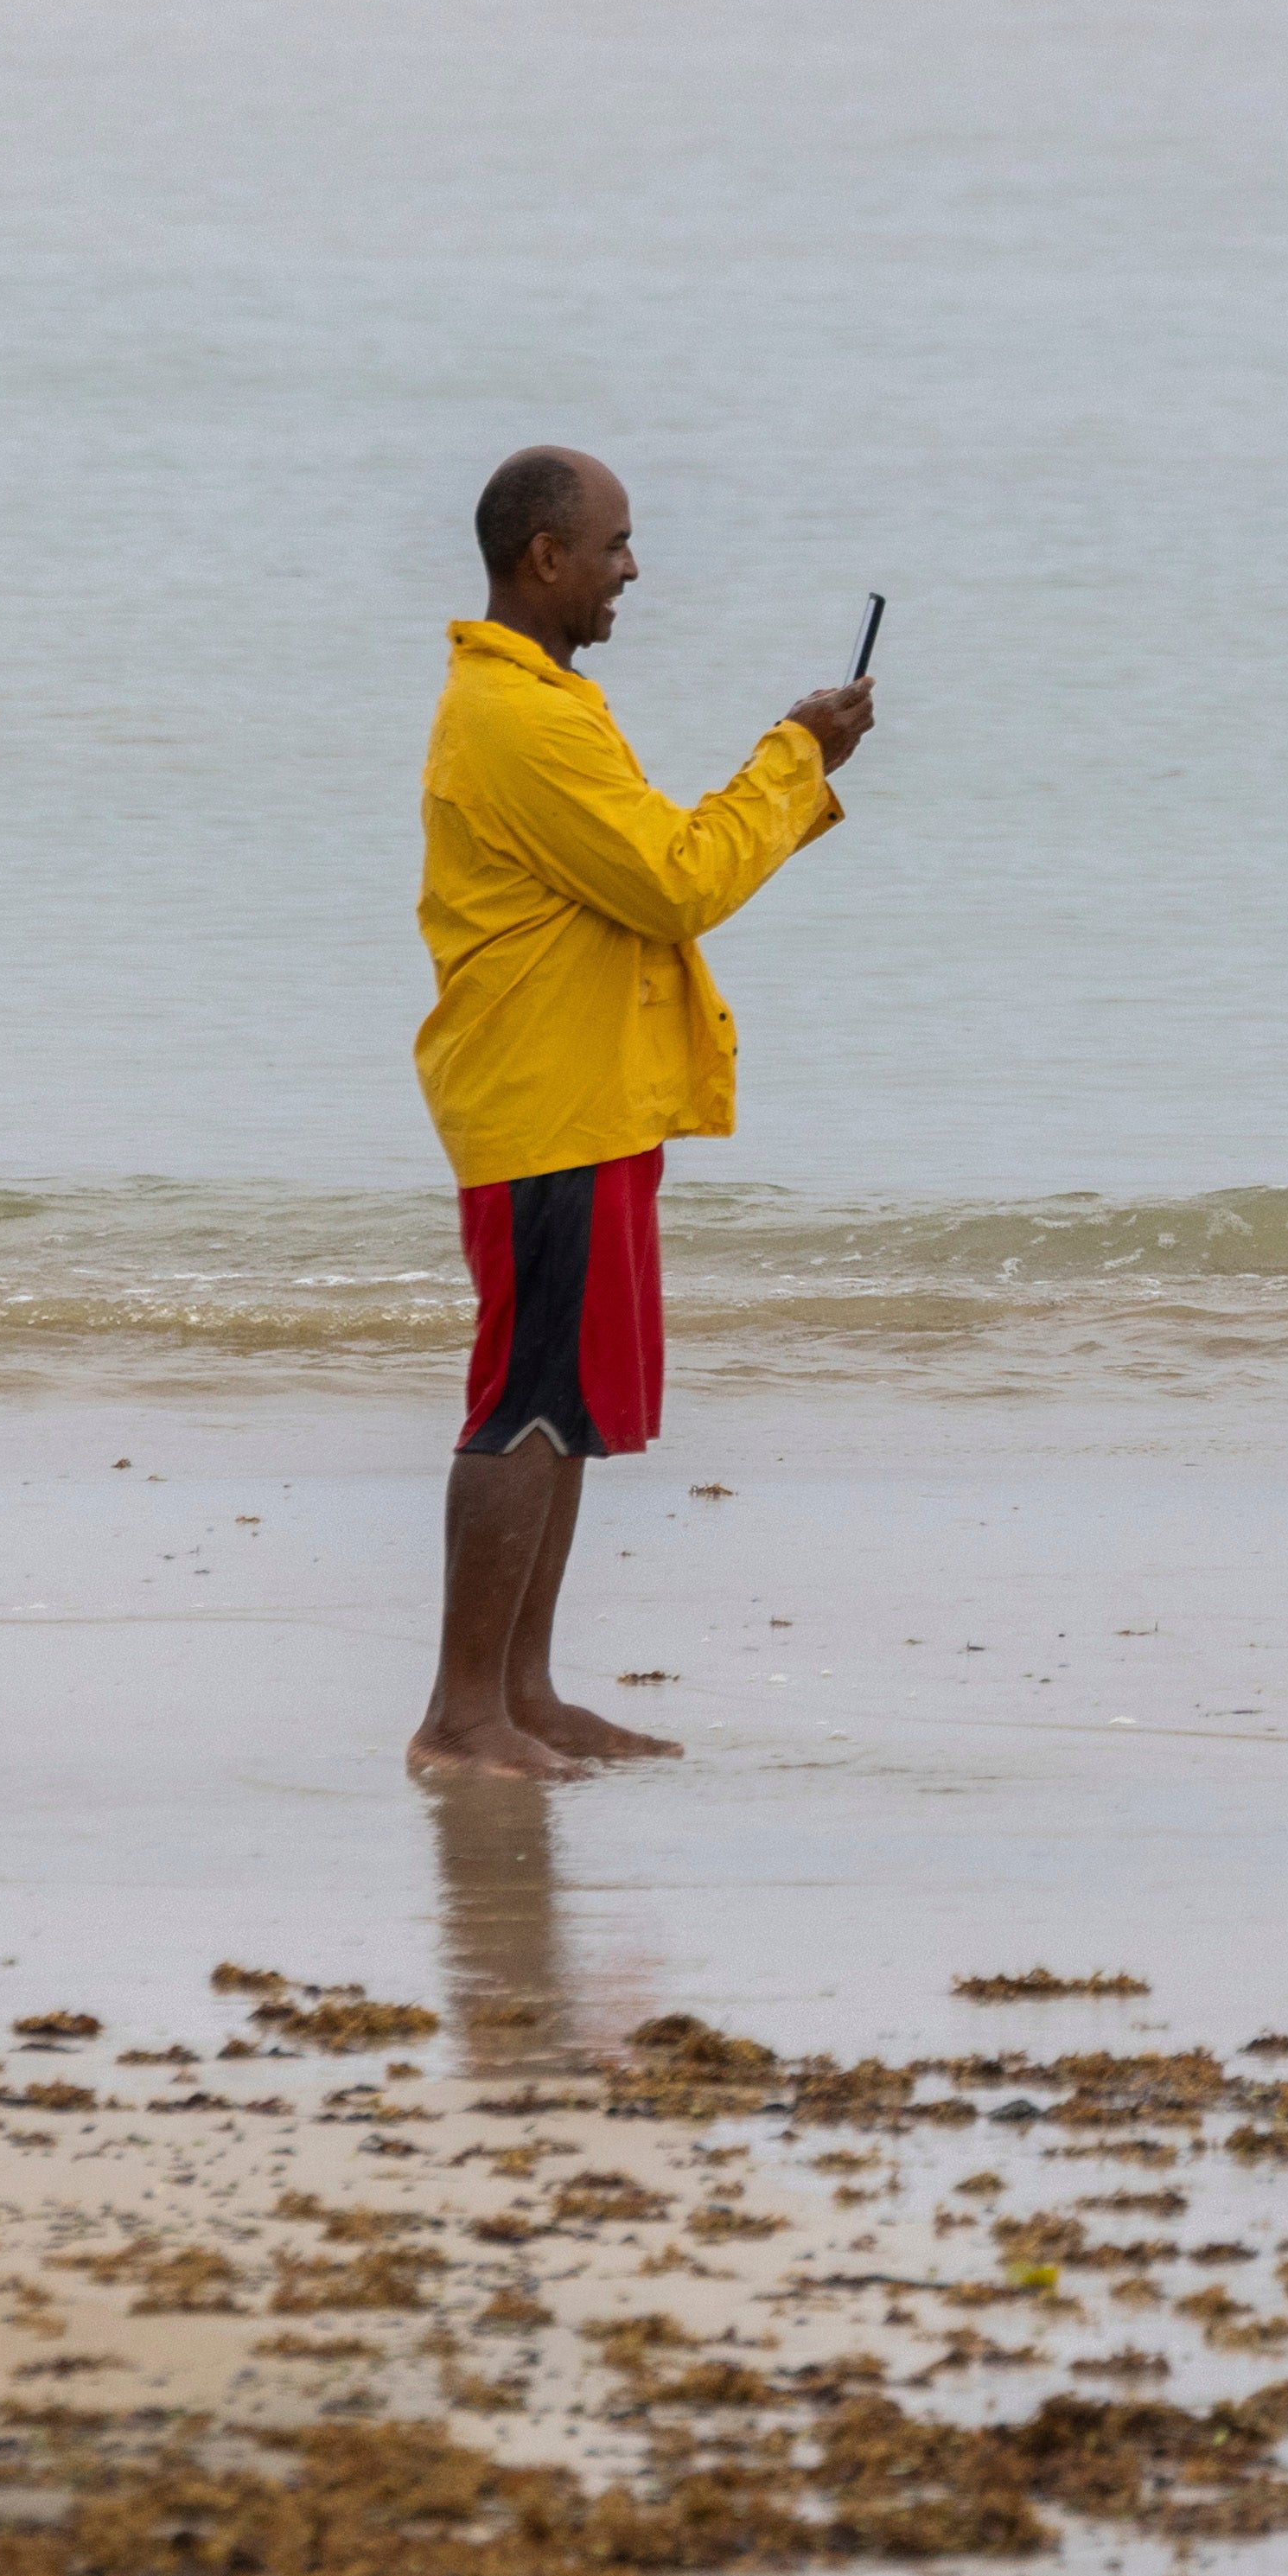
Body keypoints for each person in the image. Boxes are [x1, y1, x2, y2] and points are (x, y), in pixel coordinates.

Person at [408, 446, 871, 1782]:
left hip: (589, 1095)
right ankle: (459, 1717)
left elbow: (656, 864)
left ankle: (524, 1694)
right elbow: (676, 881)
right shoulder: (519, 718)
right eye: (614, 543)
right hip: (544, 1102)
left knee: (567, 1402)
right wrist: (795, 754)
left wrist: (797, 767)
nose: (632, 568)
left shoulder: (546, 702)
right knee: (524, 1401)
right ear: (544, 557)